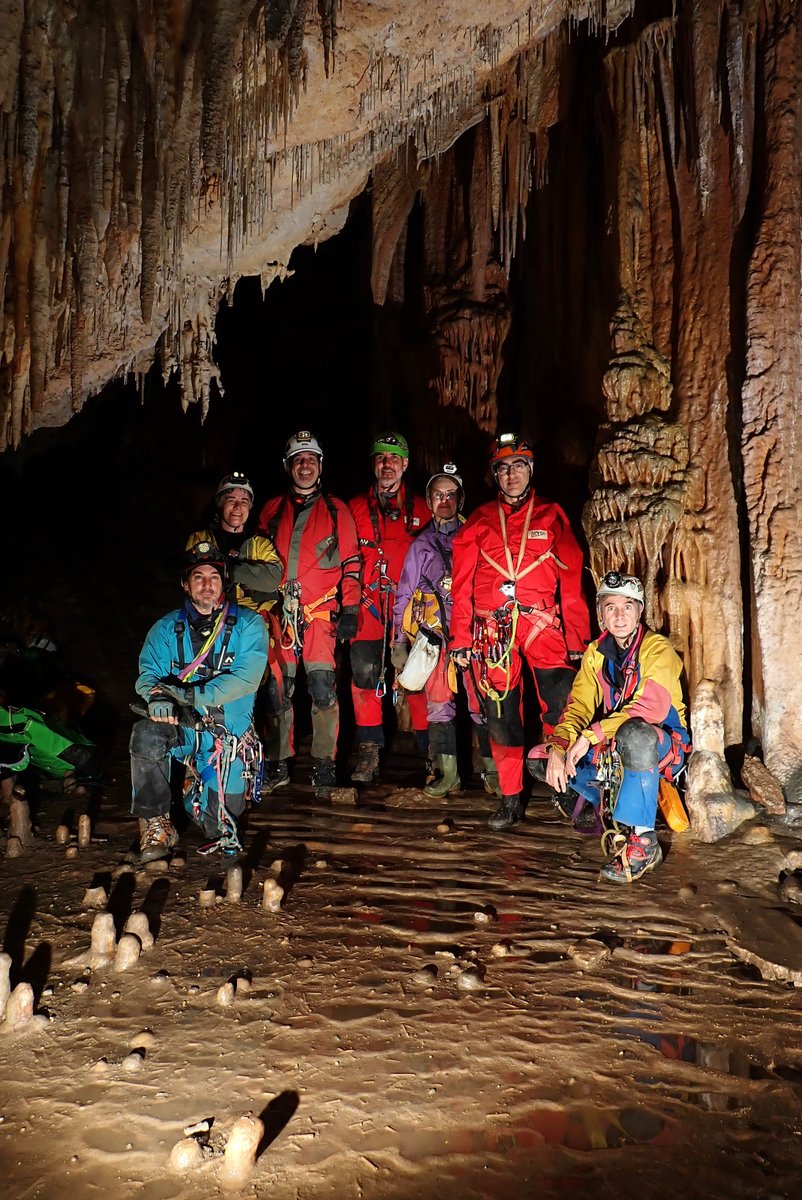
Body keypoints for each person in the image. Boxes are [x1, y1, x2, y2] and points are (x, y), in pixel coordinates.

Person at [449, 432, 590, 832]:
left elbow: (571, 580)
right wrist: (460, 639)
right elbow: (461, 583)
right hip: (493, 630)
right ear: (495, 475)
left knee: (561, 703)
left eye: (518, 467)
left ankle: (565, 786)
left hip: (542, 625)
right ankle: (511, 797)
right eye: (503, 469)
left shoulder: (551, 515)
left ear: (530, 470)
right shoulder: (479, 520)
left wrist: (577, 638)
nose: (511, 475)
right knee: (501, 713)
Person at [536, 570, 690, 883]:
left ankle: (645, 842)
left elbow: (651, 708)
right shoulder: (596, 653)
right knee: (539, 757)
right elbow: (578, 706)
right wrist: (559, 747)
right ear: (601, 613)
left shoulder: (658, 649)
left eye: (627, 607)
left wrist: (591, 736)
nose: (619, 616)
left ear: (640, 611)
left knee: (635, 734)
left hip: (661, 746)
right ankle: (602, 808)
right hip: (613, 746)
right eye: (611, 608)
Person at [130, 542, 269, 862]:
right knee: (146, 734)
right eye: (198, 577)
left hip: (226, 739)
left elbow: (246, 678)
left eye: (214, 577)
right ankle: (156, 824)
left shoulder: (249, 624)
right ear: (185, 583)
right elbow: (148, 674)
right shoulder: (166, 628)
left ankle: (191, 788)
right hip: (182, 729)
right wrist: (157, 696)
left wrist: (191, 695)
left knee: (217, 827)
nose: (207, 584)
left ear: (224, 582)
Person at [257, 431, 361, 798]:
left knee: (322, 687)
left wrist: (350, 608)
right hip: (280, 615)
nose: (305, 466)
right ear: (288, 466)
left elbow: (351, 563)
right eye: (299, 460)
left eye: (311, 460)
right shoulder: (272, 509)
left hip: (320, 614)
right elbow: (258, 560)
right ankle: (277, 763)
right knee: (277, 690)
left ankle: (324, 765)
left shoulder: (336, 509)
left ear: (320, 466)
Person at [392, 464, 498, 797]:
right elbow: (404, 594)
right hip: (435, 634)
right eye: (438, 495)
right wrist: (398, 641)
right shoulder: (421, 546)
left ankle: (493, 773)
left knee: (482, 701)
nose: (445, 501)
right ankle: (449, 773)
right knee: (439, 704)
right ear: (429, 501)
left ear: (461, 499)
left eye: (451, 494)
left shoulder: (477, 535)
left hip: (474, 632)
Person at [348, 432, 431, 782]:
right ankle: (369, 752)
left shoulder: (423, 509)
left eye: (393, 458)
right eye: (381, 458)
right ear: (373, 464)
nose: (387, 464)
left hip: (411, 610)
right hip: (369, 606)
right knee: (364, 678)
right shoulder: (353, 509)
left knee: (417, 678)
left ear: (405, 464)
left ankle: (431, 753)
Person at [186, 471, 282, 617]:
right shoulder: (201, 539)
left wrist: (229, 570)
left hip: (253, 620)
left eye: (244, 501)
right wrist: (249, 573)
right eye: (231, 500)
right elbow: (192, 580)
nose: (238, 507)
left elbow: (272, 580)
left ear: (249, 507)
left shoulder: (260, 544)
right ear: (220, 504)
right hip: (212, 618)